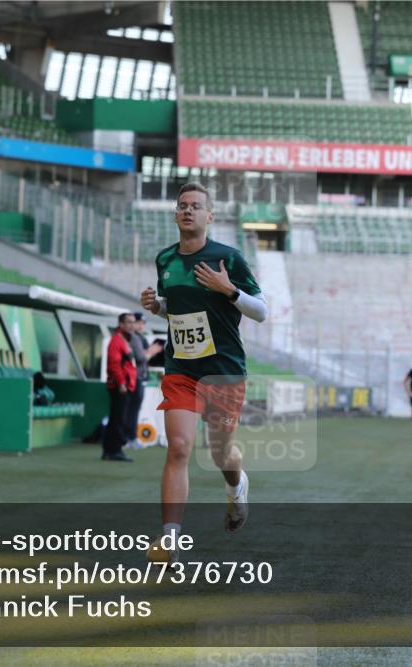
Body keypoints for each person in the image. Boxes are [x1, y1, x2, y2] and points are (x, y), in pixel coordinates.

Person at [140, 182, 267, 562]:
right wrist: (158, 307)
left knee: (220, 455)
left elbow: (261, 311)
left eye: (196, 206)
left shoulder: (228, 258)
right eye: (182, 205)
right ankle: (171, 540)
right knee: (179, 446)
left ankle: (237, 486)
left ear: (210, 216)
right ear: (175, 213)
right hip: (181, 369)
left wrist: (229, 290)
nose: (188, 210)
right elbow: (179, 311)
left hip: (223, 371)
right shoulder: (165, 259)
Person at [125, 313, 164, 449]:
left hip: (139, 378)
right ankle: (127, 438)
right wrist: (151, 352)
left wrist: (151, 352)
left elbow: (145, 360)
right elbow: (140, 359)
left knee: (134, 410)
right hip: (131, 379)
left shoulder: (140, 338)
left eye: (143, 323)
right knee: (129, 410)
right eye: (139, 322)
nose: (141, 325)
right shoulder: (132, 337)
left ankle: (131, 437)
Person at [103, 313, 137, 462]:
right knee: (118, 419)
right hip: (119, 386)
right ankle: (114, 451)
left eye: (133, 322)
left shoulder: (124, 340)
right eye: (128, 322)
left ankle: (110, 450)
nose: (132, 325)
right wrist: (121, 383)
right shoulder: (117, 340)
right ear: (121, 324)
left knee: (117, 419)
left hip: (124, 385)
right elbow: (113, 365)